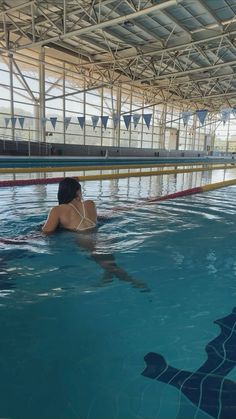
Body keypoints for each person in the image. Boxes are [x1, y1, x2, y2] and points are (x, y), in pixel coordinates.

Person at [42, 177, 149, 291]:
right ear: (77, 191)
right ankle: (108, 276)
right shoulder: (90, 204)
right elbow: (95, 220)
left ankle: (133, 281)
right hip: (101, 235)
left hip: (83, 238)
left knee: (109, 265)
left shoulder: (57, 210)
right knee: (107, 261)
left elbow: (47, 232)